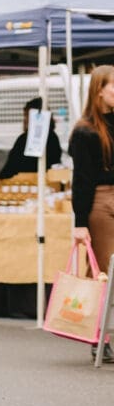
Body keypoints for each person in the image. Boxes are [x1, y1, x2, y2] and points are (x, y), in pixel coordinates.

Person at [69, 65, 114, 363]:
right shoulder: (85, 131)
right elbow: (82, 181)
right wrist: (80, 222)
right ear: (100, 89)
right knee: (103, 272)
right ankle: (101, 336)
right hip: (99, 201)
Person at [0, 97, 63, 179]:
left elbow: (10, 168)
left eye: (27, 116)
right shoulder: (52, 137)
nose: (25, 120)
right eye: (25, 116)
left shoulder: (26, 139)